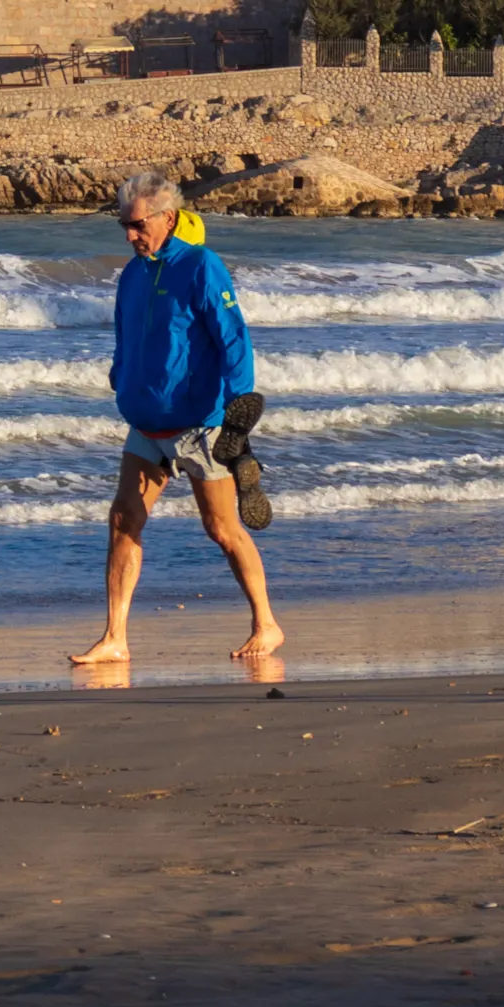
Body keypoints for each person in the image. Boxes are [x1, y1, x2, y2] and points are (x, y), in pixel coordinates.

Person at [71, 171, 284, 668]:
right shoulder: (133, 274)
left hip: (200, 424)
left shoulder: (201, 266)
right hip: (146, 423)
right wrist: (121, 374)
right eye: (124, 226)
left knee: (222, 528)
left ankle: (267, 624)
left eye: (138, 225)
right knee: (124, 520)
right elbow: (126, 336)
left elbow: (234, 340)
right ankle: (115, 638)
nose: (130, 235)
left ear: (167, 218)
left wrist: (237, 417)